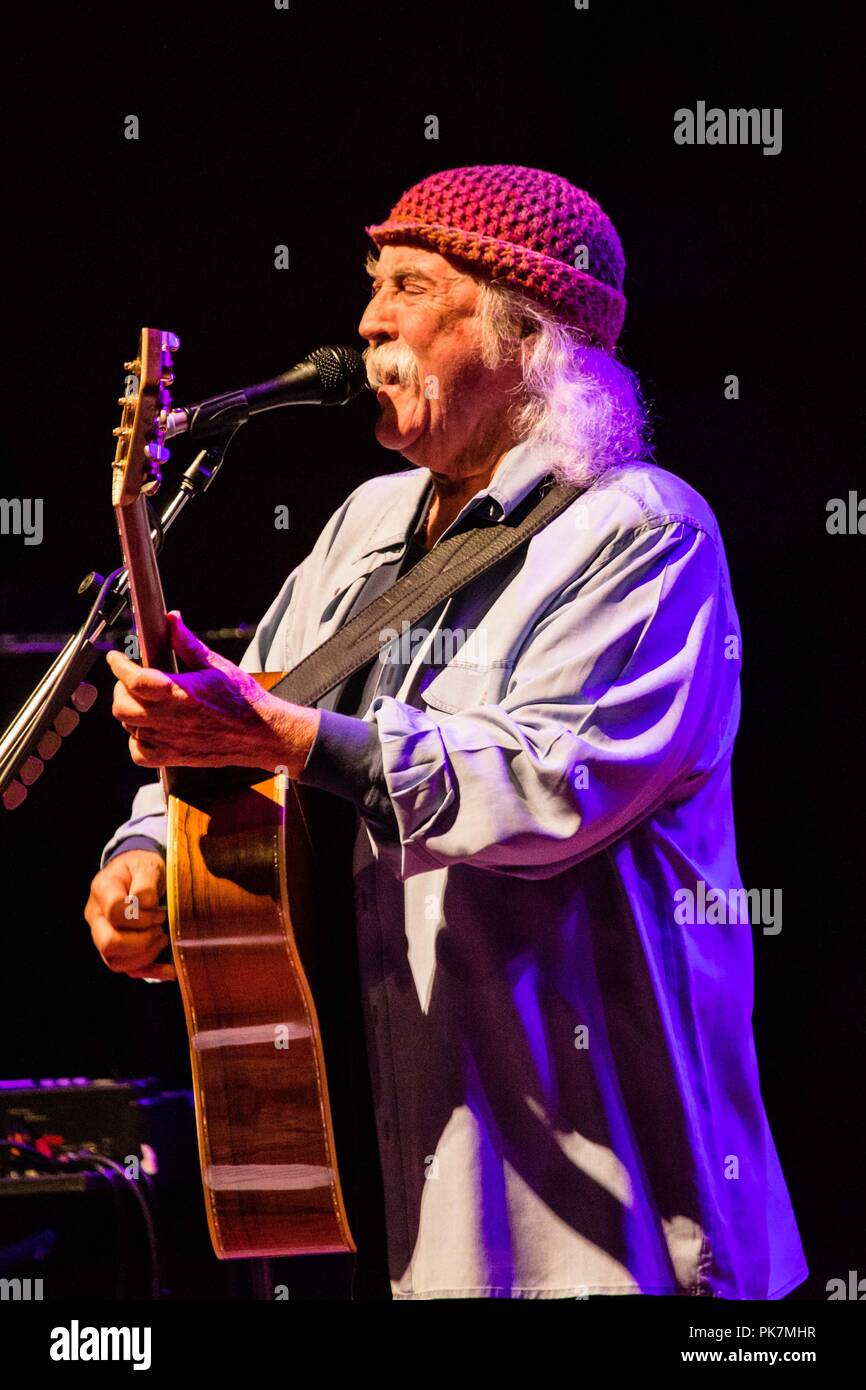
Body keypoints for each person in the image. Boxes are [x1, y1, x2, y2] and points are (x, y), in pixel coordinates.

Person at [84, 164, 808, 1300]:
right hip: (376, 1184)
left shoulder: (641, 530)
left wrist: (292, 740)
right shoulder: (363, 521)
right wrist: (143, 857)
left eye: (413, 286)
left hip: (591, 1209)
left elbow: (543, 785)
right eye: (371, 285)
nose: (368, 318)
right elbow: (243, 711)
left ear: (529, 331)